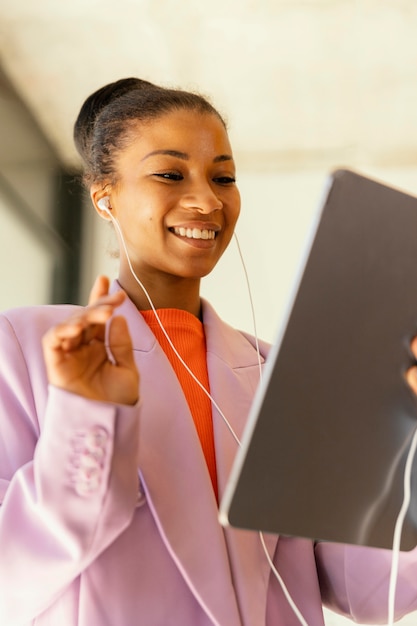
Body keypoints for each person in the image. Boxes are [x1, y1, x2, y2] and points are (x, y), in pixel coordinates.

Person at [1, 77, 417, 626]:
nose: (207, 199)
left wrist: (405, 437)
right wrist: (88, 416)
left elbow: (372, 592)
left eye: (223, 176)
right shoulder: (24, 348)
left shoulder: (280, 374)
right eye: (170, 174)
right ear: (105, 196)